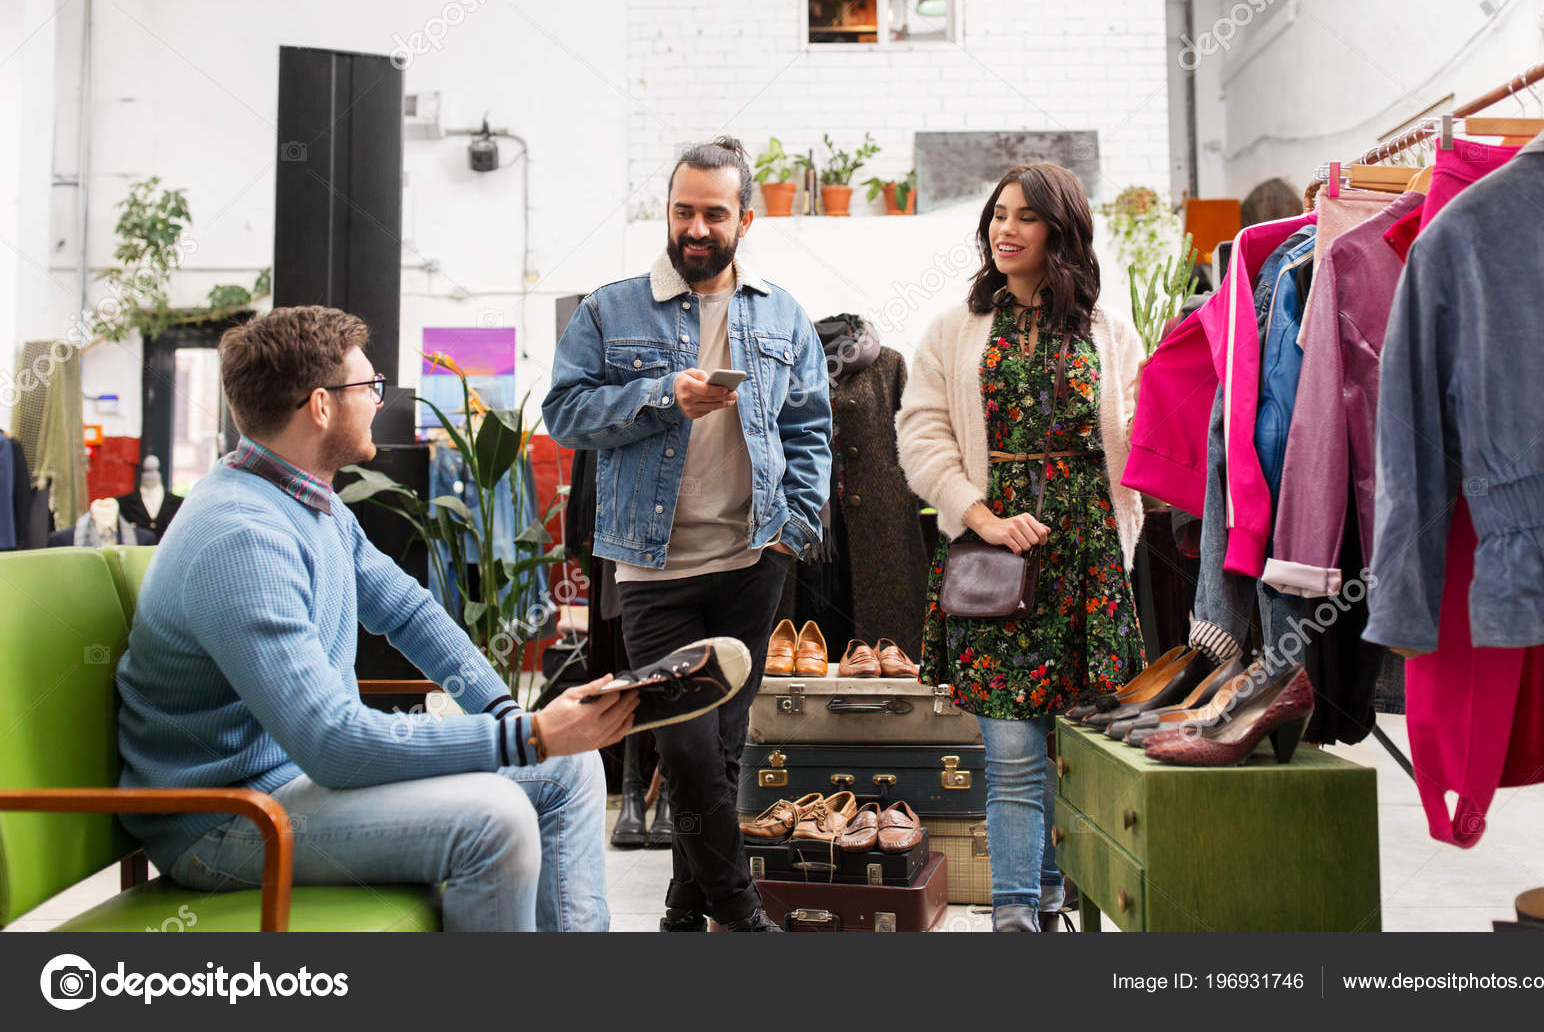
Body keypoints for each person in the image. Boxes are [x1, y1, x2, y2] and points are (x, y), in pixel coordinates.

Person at [117, 306, 636, 932]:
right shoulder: (241, 536)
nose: (379, 401)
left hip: (295, 786)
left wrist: (507, 714)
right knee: (495, 821)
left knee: (569, 766)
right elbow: (332, 743)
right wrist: (529, 736)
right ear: (321, 406)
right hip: (229, 820)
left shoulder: (315, 505)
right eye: (370, 386)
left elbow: (409, 611)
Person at [543, 136, 832, 933]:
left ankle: (681, 910)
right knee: (686, 746)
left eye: (713, 213)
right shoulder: (609, 309)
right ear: (666, 212)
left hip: (751, 559)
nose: (696, 228)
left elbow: (810, 429)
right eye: (682, 211)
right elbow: (564, 413)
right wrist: (662, 395)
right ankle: (741, 914)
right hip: (654, 568)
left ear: (744, 219)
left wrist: (793, 529)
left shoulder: (783, 315)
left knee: (724, 747)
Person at [896, 162, 1147, 931]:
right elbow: (920, 432)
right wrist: (980, 514)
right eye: (998, 215)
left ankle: (1047, 894)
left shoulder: (1109, 329)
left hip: (1088, 562)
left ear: (1060, 231)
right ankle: (1013, 914)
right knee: (1010, 751)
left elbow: (1136, 436)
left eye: (1025, 216)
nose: (1005, 229)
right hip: (994, 558)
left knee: (1068, 750)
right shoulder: (955, 329)